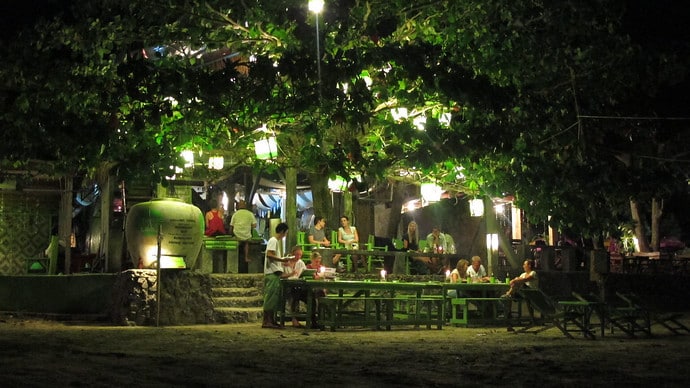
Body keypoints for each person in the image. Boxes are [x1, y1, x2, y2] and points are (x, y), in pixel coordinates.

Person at [262, 222, 292, 329]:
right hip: (272, 273)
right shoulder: (273, 240)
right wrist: (282, 259)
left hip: (275, 273)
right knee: (270, 297)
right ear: (283, 232)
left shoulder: (275, 242)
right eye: (286, 233)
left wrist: (282, 262)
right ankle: (267, 321)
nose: (286, 235)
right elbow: (269, 254)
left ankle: (272, 320)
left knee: (274, 298)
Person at [230, 200, 257, 273]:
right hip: (246, 235)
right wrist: (248, 226)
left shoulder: (235, 214)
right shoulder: (250, 214)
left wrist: (231, 234)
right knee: (247, 243)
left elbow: (231, 226)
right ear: (245, 206)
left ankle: (235, 257)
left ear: (238, 206)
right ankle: (246, 257)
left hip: (237, 235)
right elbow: (254, 225)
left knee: (237, 242)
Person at [283, 246, 307, 327]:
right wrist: (291, 274)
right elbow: (280, 275)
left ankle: (312, 320)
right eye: (297, 255)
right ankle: (294, 318)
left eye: (300, 255)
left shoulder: (301, 263)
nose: (298, 257)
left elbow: (305, 273)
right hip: (287, 286)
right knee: (294, 294)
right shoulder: (285, 262)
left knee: (312, 295)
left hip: (299, 286)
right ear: (292, 254)